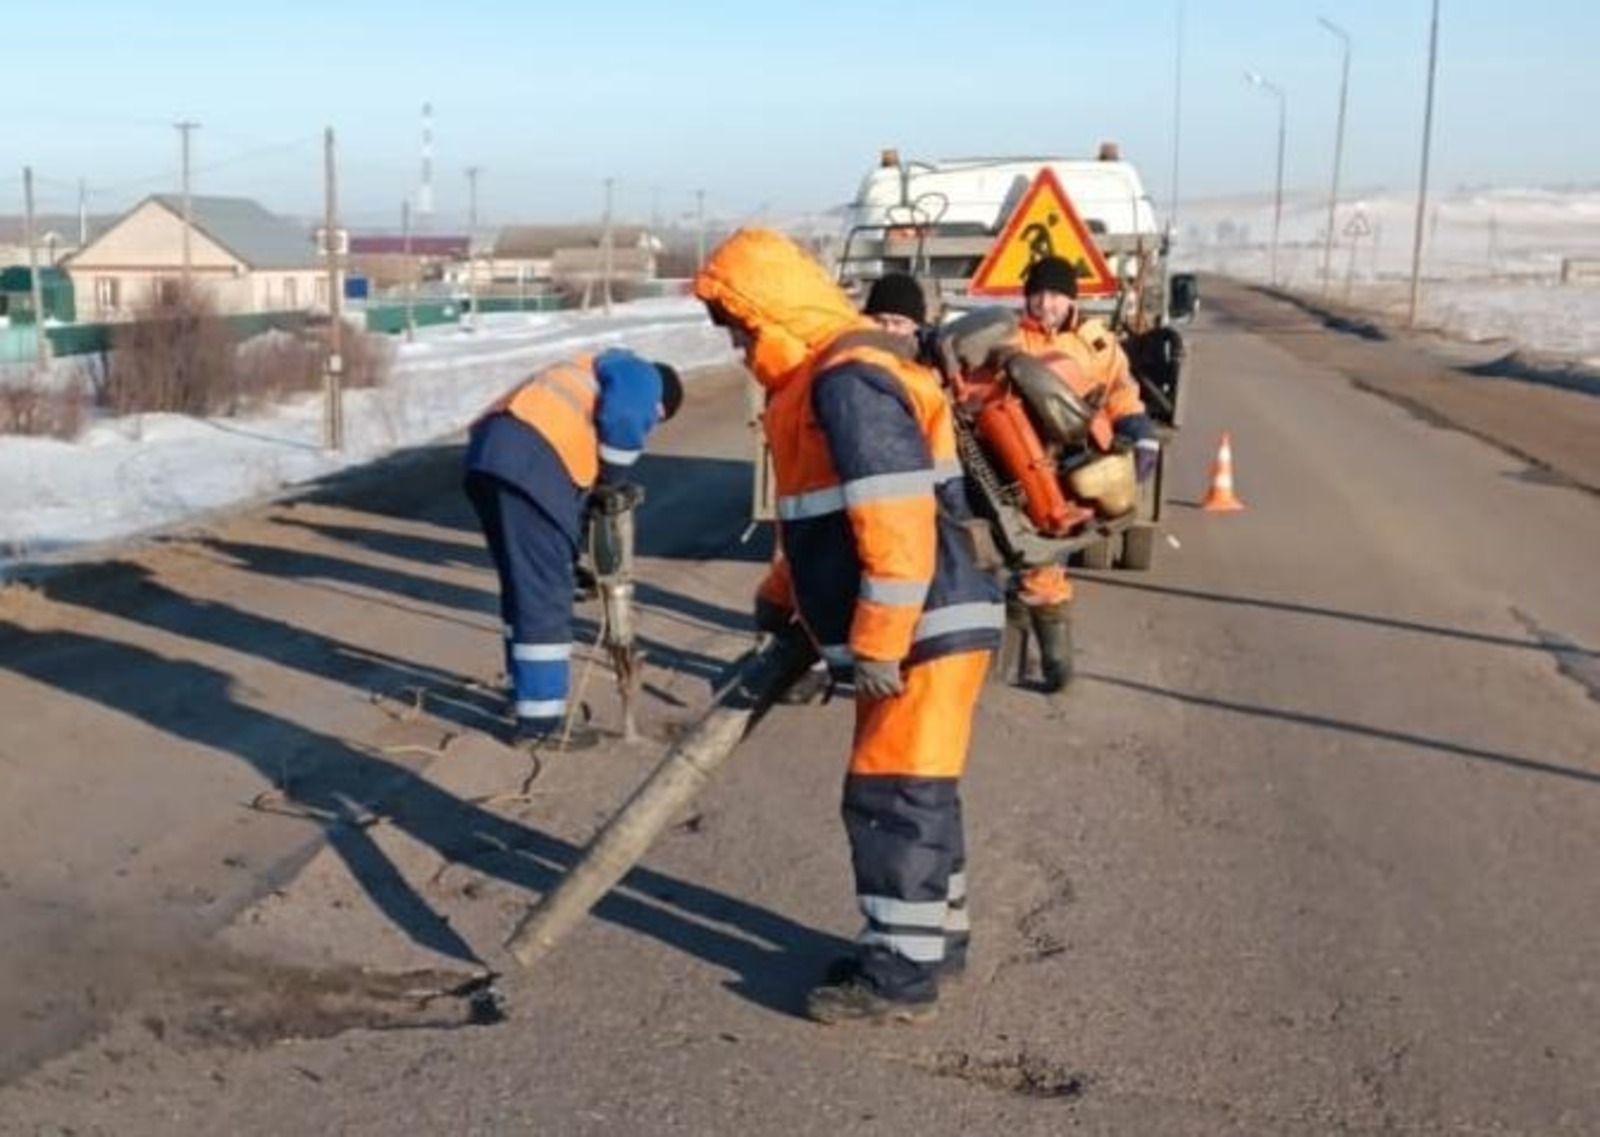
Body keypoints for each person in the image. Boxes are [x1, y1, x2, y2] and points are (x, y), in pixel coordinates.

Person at [694, 228, 1004, 1025]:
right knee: (920, 790)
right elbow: (819, 522)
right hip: (929, 618)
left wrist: (879, 639)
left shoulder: (848, 380)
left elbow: (894, 517)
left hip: (923, 624)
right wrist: (780, 597)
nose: (735, 346)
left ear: (770, 312)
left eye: (739, 327)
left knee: (893, 795)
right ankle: (932, 944)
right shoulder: (819, 382)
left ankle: (899, 973)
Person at [463, 349, 683, 751]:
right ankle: (541, 721)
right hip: (529, 461)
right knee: (546, 595)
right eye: (657, 419)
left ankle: (525, 694)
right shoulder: (641, 374)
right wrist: (611, 480)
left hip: (489, 458)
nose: (650, 427)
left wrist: (572, 556)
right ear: (660, 404)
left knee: (524, 585)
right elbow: (625, 418)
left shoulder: (585, 372)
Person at [1010, 255, 1159, 692]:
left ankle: (1056, 665)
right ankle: (1007, 653)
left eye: (1055, 295)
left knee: (1046, 559)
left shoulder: (1096, 343)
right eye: (1038, 294)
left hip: (1070, 463)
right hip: (1012, 458)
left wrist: (1139, 431)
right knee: (1009, 556)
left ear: (1071, 299)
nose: (1045, 304)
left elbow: (1121, 393)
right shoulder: (1009, 338)